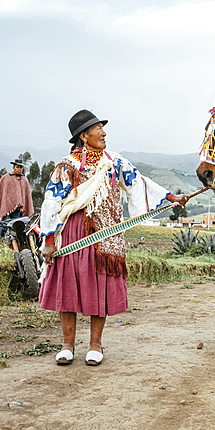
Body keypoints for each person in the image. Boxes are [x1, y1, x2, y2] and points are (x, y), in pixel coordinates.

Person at [38, 110, 188, 366]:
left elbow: (138, 183)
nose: (104, 133)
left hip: (106, 235)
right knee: (69, 285)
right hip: (75, 234)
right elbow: (52, 201)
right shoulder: (67, 166)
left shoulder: (114, 161)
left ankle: (95, 345)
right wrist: (49, 239)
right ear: (84, 136)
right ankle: (67, 345)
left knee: (100, 287)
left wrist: (170, 197)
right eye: (98, 129)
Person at [0, 159, 34, 239]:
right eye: (17, 167)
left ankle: (11, 243)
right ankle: (0, 240)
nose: (19, 169)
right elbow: (0, 191)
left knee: (15, 228)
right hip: (6, 208)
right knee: (4, 225)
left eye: (21, 167)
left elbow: (26, 196)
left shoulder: (24, 181)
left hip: (17, 210)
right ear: (13, 168)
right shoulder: (6, 178)